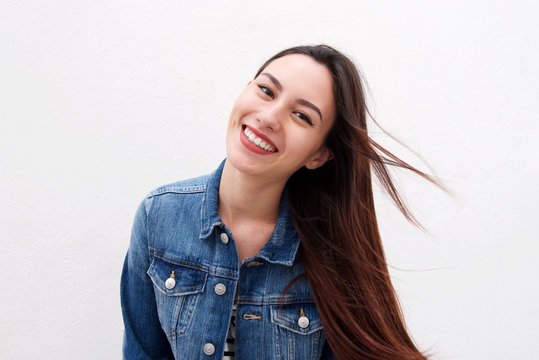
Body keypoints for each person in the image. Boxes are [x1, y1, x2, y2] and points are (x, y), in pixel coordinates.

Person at [121, 44, 441, 360]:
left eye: (301, 116)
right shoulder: (158, 215)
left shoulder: (330, 251)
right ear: (246, 88)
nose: (269, 117)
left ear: (319, 154)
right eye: (266, 90)